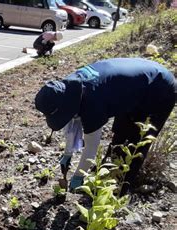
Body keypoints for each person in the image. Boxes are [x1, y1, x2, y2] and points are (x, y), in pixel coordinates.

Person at [34, 57, 176, 192]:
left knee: (137, 142)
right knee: (120, 133)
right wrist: (67, 154)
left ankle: (119, 191)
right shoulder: (69, 87)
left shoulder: (92, 103)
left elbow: (91, 147)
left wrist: (79, 176)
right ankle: (107, 173)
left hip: (160, 88)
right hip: (132, 87)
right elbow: (72, 124)